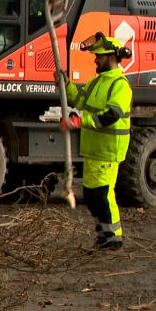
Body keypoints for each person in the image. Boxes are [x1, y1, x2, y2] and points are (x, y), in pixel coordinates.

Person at [58, 33, 133, 250]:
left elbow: (111, 115)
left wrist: (80, 121)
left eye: (99, 56)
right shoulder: (97, 81)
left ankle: (114, 237)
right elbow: (79, 101)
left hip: (109, 150)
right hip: (93, 149)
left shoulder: (120, 85)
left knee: (102, 193)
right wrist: (66, 84)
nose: (95, 60)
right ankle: (104, 234)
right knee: (91, 195)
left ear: (111, 56)